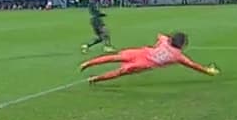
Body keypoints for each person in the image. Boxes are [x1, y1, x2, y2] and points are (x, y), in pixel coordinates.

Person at [79, 32, 219, 84]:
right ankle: (95, 79)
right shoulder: (178, 56)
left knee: (114, 58)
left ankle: (88, 63)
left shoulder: (165, 41)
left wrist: (159, 43)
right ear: (182, 45)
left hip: (141, 53)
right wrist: (208, 71)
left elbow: (160, 35)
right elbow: (194, 65)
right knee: (120, 72)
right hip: (144, 63)